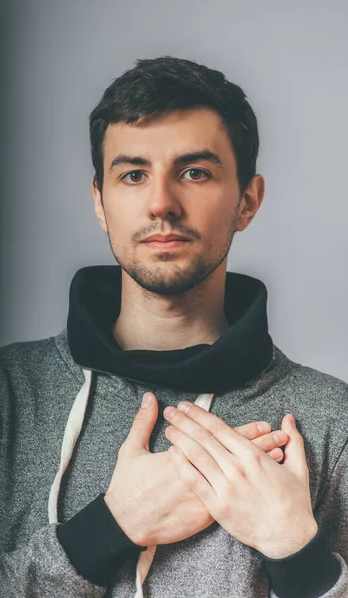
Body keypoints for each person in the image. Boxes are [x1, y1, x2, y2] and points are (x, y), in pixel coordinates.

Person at [0, 55, 347, 598]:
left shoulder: (332, 422)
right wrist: (108, 529)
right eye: (133, 174)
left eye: (195, 172)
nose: (162, 203)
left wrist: (300, 558)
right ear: (100, 200)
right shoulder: (10, 391)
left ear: (247, 201)